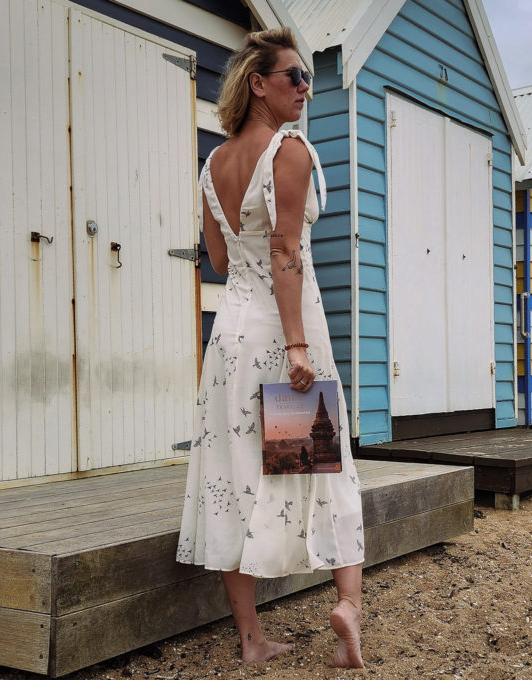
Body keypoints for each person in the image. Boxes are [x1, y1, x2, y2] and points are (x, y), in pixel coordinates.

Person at [175, 27, 365, 669]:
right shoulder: (290, 150)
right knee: (319, 467)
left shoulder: (212, 165)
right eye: (295, 77)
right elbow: (285, 251)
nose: (306, 89)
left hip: (231, 338)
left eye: (308, 77)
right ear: (259, 84)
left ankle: (252, 640)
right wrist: (298, 346)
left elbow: (223, 258)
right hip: (284, 337)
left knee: (236, 479)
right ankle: (349, 609)